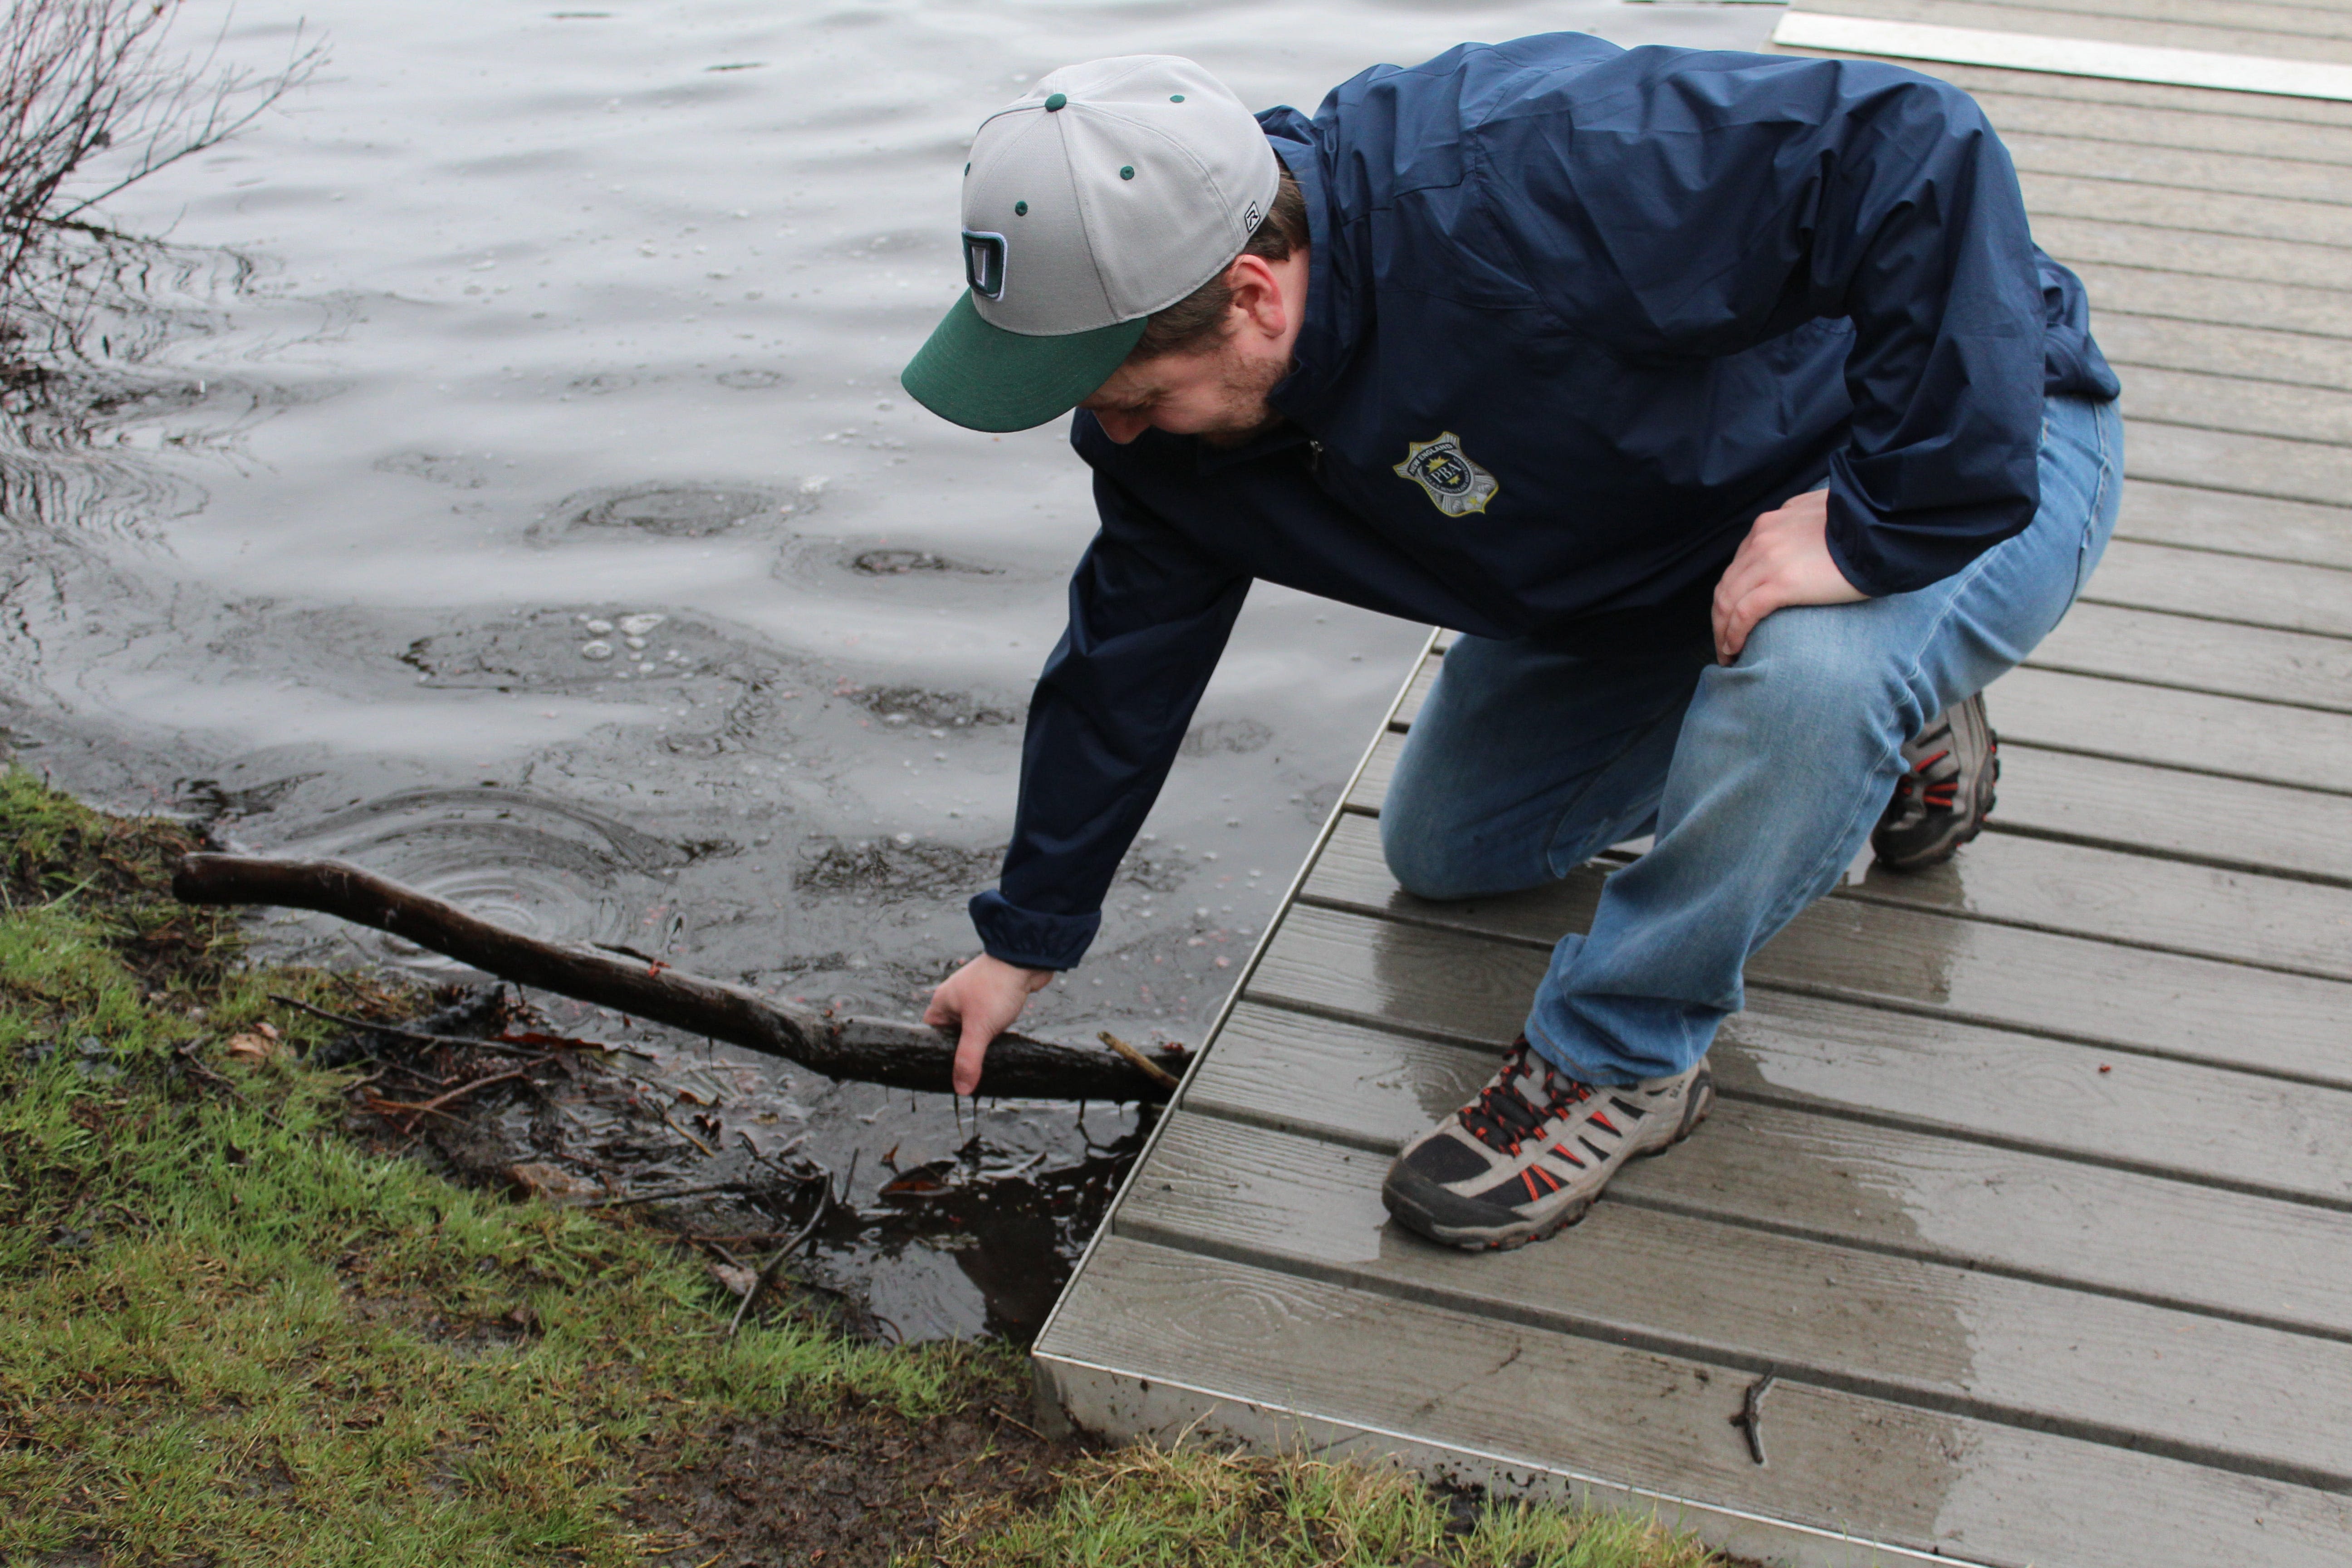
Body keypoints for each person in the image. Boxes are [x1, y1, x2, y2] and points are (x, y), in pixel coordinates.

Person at [898, 40, 2122, 1251]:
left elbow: (1912, 141)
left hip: (1948, 449)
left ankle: (1622, 1060)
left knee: (1818, 676)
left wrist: (1886, 522)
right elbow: (1124, 664)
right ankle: (1900, 719)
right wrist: (1029, 938)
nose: (1107, 426)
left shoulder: (1524, 174)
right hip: (1664, 560)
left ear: (1254, 295)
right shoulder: (1174, 440)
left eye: (1125, 390)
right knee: (1454, 848)